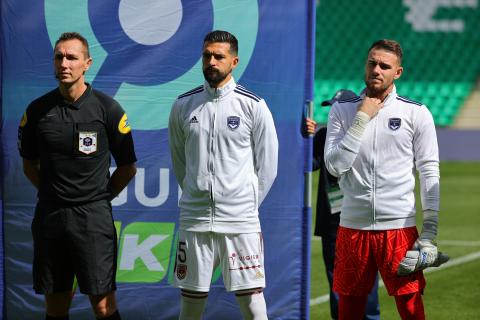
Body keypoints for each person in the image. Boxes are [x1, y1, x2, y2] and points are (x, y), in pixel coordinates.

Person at [18, 32, 137, 320]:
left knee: (104, 306)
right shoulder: (36, 111)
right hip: (51, 218)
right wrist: (52, 192)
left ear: (87, 63)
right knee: (56, 304)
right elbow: (28, 165)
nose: (64, 63)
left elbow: (127, 167)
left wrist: (98, 198)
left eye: (72, 57)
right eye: (59, 57)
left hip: (93, 220)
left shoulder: (108, 109)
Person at [324, 39, 446, 319]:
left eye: (384, 65)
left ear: (398, 72)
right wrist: (362, 118)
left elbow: (429, 169)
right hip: (352, 227)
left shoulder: (415, 112)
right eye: (372, 63)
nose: (376, 69)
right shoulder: (342, 110)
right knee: (349, 309)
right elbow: (334, 166)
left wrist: (430, 229)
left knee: (411, 306)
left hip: (399, 228)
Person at [168, 30, 278, 320]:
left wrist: (245, 203)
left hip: (240, 219)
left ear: (234, 61)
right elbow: (180, 162)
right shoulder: (183, 105)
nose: (212, 62)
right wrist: (196, 193)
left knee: (252, 302)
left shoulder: (253, 106)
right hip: (194, 217)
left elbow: (268, 166)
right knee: (190, 303)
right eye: (207, 56)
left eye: (219, 56)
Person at [306, 89, 380, 320]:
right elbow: (309, 165)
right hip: (332, 223)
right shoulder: (323, 135)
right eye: (330, 107)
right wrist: (304, 139)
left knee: (367, 281)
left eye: (337, 107)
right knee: (337, 281)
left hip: (363, 219)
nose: (333, 112)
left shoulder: (369, 135)